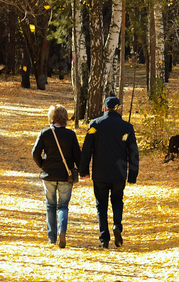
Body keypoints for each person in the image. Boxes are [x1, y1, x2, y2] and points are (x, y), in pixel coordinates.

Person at [79, 96, 139, 249]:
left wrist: (83, 170)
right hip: (119, 173)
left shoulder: (95, 125)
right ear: (118, 108)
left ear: (105, 108)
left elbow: (86, 150)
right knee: (117, 200)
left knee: (101, 205)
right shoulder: (127, 127)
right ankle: (117, 226)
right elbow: (133, 153)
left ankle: (104, 238)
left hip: (100, 173)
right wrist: (132, 175)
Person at [31, 104, 80, 248]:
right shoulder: (70, 135)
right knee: (63, 206)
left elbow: (35, 153)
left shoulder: (45, 133)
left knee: (50, 205)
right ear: (65, 118)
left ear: (51, 117)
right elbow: (78, 156)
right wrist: (82, 171)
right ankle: (62, 231)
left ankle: (52, 237)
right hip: (66, 176)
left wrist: (42, 165)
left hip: (49, 175)